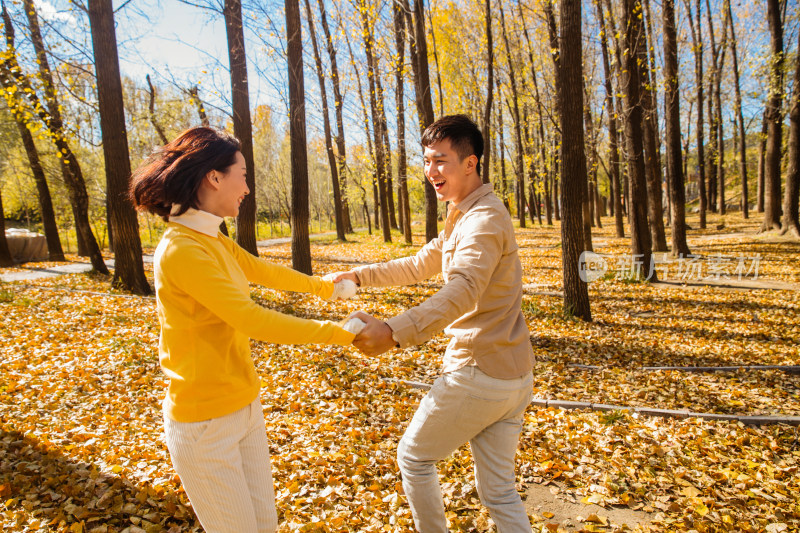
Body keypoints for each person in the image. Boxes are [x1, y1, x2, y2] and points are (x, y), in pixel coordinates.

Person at [130, 127, 356, 533]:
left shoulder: (210, 237)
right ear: (214, 177)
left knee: (265, 525)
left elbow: (258, 269)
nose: (247, 188)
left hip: (244, 405)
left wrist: (325, 287)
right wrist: (341, 333)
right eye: (243, 174)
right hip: (204, 425)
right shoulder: (182, 249)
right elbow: (250, 318)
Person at [335, 114, 535, 532]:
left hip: (479, 370)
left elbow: (463, 290)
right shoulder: (466, 214)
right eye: (426, 161)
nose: (430, 172)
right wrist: (359, 276)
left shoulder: (482, 221)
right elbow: (422, 262)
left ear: (470, 163)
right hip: (513, 375)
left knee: (414, 457)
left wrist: (395, 331)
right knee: (498, 491)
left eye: (440, 161)